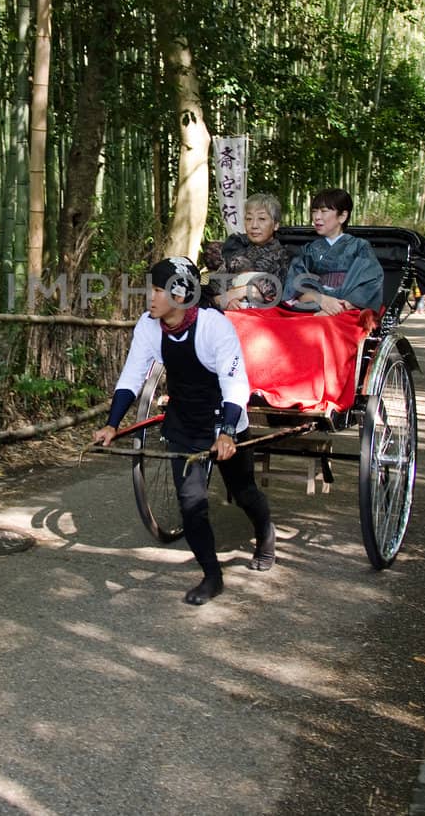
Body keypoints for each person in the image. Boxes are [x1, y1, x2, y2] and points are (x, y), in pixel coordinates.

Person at [91, 257, 274, 606]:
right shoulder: (148, 327)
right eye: (151, 288)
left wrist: (226, 433)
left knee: (243, 489)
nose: (150, 297)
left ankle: (266, 534)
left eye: (158, 290)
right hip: (184, 422)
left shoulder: (213, 327)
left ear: (181, 294)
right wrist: (112, 424)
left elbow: (235, 384)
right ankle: (212, 575)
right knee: (191, 504)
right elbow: (132, 377)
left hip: (225, 417)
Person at [283, 188, 386, 315]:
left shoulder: (360, 247)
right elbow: (295, 288)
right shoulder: (308, 250)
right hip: (312, 308)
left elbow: (369, 283)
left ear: (342, 216)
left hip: (348, 309)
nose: (317, 217)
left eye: (324, 211)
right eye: (314, 211)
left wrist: (340, 307)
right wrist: (321, 300)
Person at [214, 193, 290, 310]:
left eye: (262, 219)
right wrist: (226, 300)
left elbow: (274, 290)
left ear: (275, 225)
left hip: (262, 319)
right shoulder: (237, 250)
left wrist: (234, 294)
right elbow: (214, 287)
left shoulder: (282, 255)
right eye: (249, 219)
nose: (254, 225)